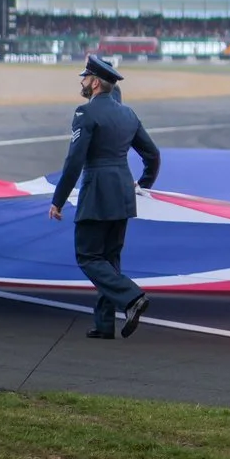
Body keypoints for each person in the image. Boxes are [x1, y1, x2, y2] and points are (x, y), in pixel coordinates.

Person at [49, 54, 162, 340]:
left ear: (96, 83)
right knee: (110, 259)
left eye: (85, 77)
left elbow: (75, 161)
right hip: (123, 193)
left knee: (87, 256)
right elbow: (152, 155)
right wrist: (142, 184)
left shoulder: (85, 113)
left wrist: (58, 199)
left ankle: (132, 296)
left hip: (97, 191)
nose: (83, 82)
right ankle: (104, 324)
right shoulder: (128, 114)